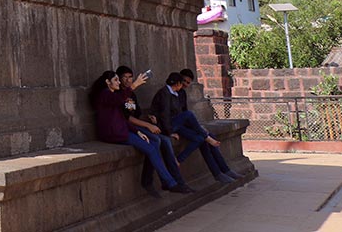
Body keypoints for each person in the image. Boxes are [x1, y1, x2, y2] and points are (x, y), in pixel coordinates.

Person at [89, 70, 191, 195]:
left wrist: (137, 132)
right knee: (151, 148)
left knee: (155, 143)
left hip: (122, 131)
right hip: (114, 134)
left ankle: (158, 181)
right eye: (116, 80)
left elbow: (123, 119)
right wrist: (134, 85)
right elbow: (118, 101)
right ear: (107, 82)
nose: (119, 82)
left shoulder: (115, 95)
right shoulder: (105, 94)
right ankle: (170, 183)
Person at [117, 65, 192, 197]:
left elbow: (137, 113)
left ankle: (169, 180)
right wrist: (147, 125)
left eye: (130, 77)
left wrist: (149, 119)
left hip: (139, 125)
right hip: (126, 128)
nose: (128, 80)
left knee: (161, 141)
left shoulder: (131, 94)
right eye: (125, 77)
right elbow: (126, 117)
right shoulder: (118, 95)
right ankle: (163, 181)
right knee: (157, 141)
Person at [176, 69, 244, 181]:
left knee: (209, 137)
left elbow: (184, 112)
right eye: (184, 81)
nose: (185, 85)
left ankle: (224, 170)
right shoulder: (168, 94)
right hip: (175, 126)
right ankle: (218, 174)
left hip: (184, 124)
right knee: (204, 138)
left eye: (188, 83)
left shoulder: (182, 93)